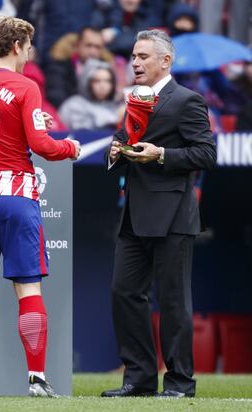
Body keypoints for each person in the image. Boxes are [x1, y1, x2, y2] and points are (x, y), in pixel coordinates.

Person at [0, 16, 80, 397]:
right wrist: (68, 147)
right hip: (17, 196)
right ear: (16, 47)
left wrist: (29, 128)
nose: (29, 55)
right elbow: (41, 146)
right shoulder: (26, 85)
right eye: (28, 48)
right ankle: (37, 380)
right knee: (28, 290)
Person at [101, 29, 216, 398]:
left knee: (172, 301)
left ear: (165, 61)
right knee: (124, 292)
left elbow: (206, 154)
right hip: (134, 213)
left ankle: (180, 383)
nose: (135, 62)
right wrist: (116, 152)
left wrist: (162, 155)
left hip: (173, 215)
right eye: (133, 56)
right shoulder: (135, 99)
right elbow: (121, 142)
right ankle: (139, 378)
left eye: (143, 56)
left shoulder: (188, 100)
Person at [58, 59, 120, 130]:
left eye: (107, 81)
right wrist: (116, 120)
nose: (103, 86)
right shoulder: (74, 104)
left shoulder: (114, 106)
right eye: (97, 81)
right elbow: (84, 134)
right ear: (86, 82)